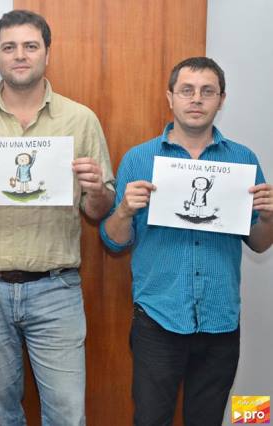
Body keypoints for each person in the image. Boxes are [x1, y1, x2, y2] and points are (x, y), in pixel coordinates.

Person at [0, 10, 115, 425]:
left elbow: (97, 211)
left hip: (56, 288)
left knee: (67, 415)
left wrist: (96, 189)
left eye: (30, 46)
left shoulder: (80, 119)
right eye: (9, 47)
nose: (20, 55)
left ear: (47, 54)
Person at [100, 57, 273, 425]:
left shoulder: (243, 160)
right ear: (170, 97)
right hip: (157, 319)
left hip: (220, 319)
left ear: (221, 99)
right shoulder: (138, 158)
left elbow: (259, 244)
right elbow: (114, 242)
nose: (196, 99)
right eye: (187, 90)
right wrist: (124, 211)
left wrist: (270, 217)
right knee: (150, 420)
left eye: (207, 91)